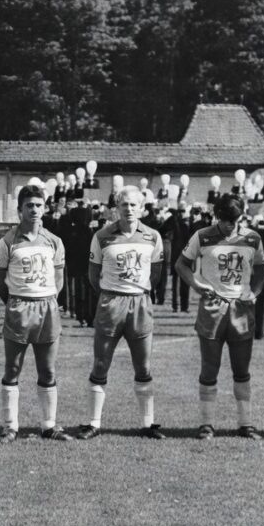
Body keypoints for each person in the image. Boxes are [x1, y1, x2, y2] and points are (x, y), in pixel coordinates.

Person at [174, 193, 264, 440]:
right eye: (225, 220)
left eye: (235, 220)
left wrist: (255, 292)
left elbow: (262, 268)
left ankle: (245, 423)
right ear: (217, 216)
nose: (230, 225)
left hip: (241, 310)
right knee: (210, 367)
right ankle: (206, 424)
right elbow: (181, 264)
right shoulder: (202, 236)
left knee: (241, 368)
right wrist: (196, 285)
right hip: (212, 308)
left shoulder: (252, 238)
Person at [76, 186, 165, 440]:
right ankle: (93, 423)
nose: (128, 209)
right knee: (101, 363)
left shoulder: (153, 237)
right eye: (124, 205)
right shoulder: (102, 236)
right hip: (111, 303)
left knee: (143, 365)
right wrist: (111, 294)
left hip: (139, 303)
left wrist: (139, 292)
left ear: (142, 208)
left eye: (133, 205)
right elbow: (93, 276)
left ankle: (148, 424)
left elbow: (155, 275)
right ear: (116, 207)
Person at [0, 184, 71, 443]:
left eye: (38, 205)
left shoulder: (54, 241)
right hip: (19, 308)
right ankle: (10, 426)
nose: (34, 210)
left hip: (47, 308)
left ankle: (49, 426)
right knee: (13, 368)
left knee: (47, 370)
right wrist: (15, 302)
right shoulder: (7, 242)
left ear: (45, 208)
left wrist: (45, 298)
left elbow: (58, 280)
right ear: (20, 210)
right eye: (29, 206)